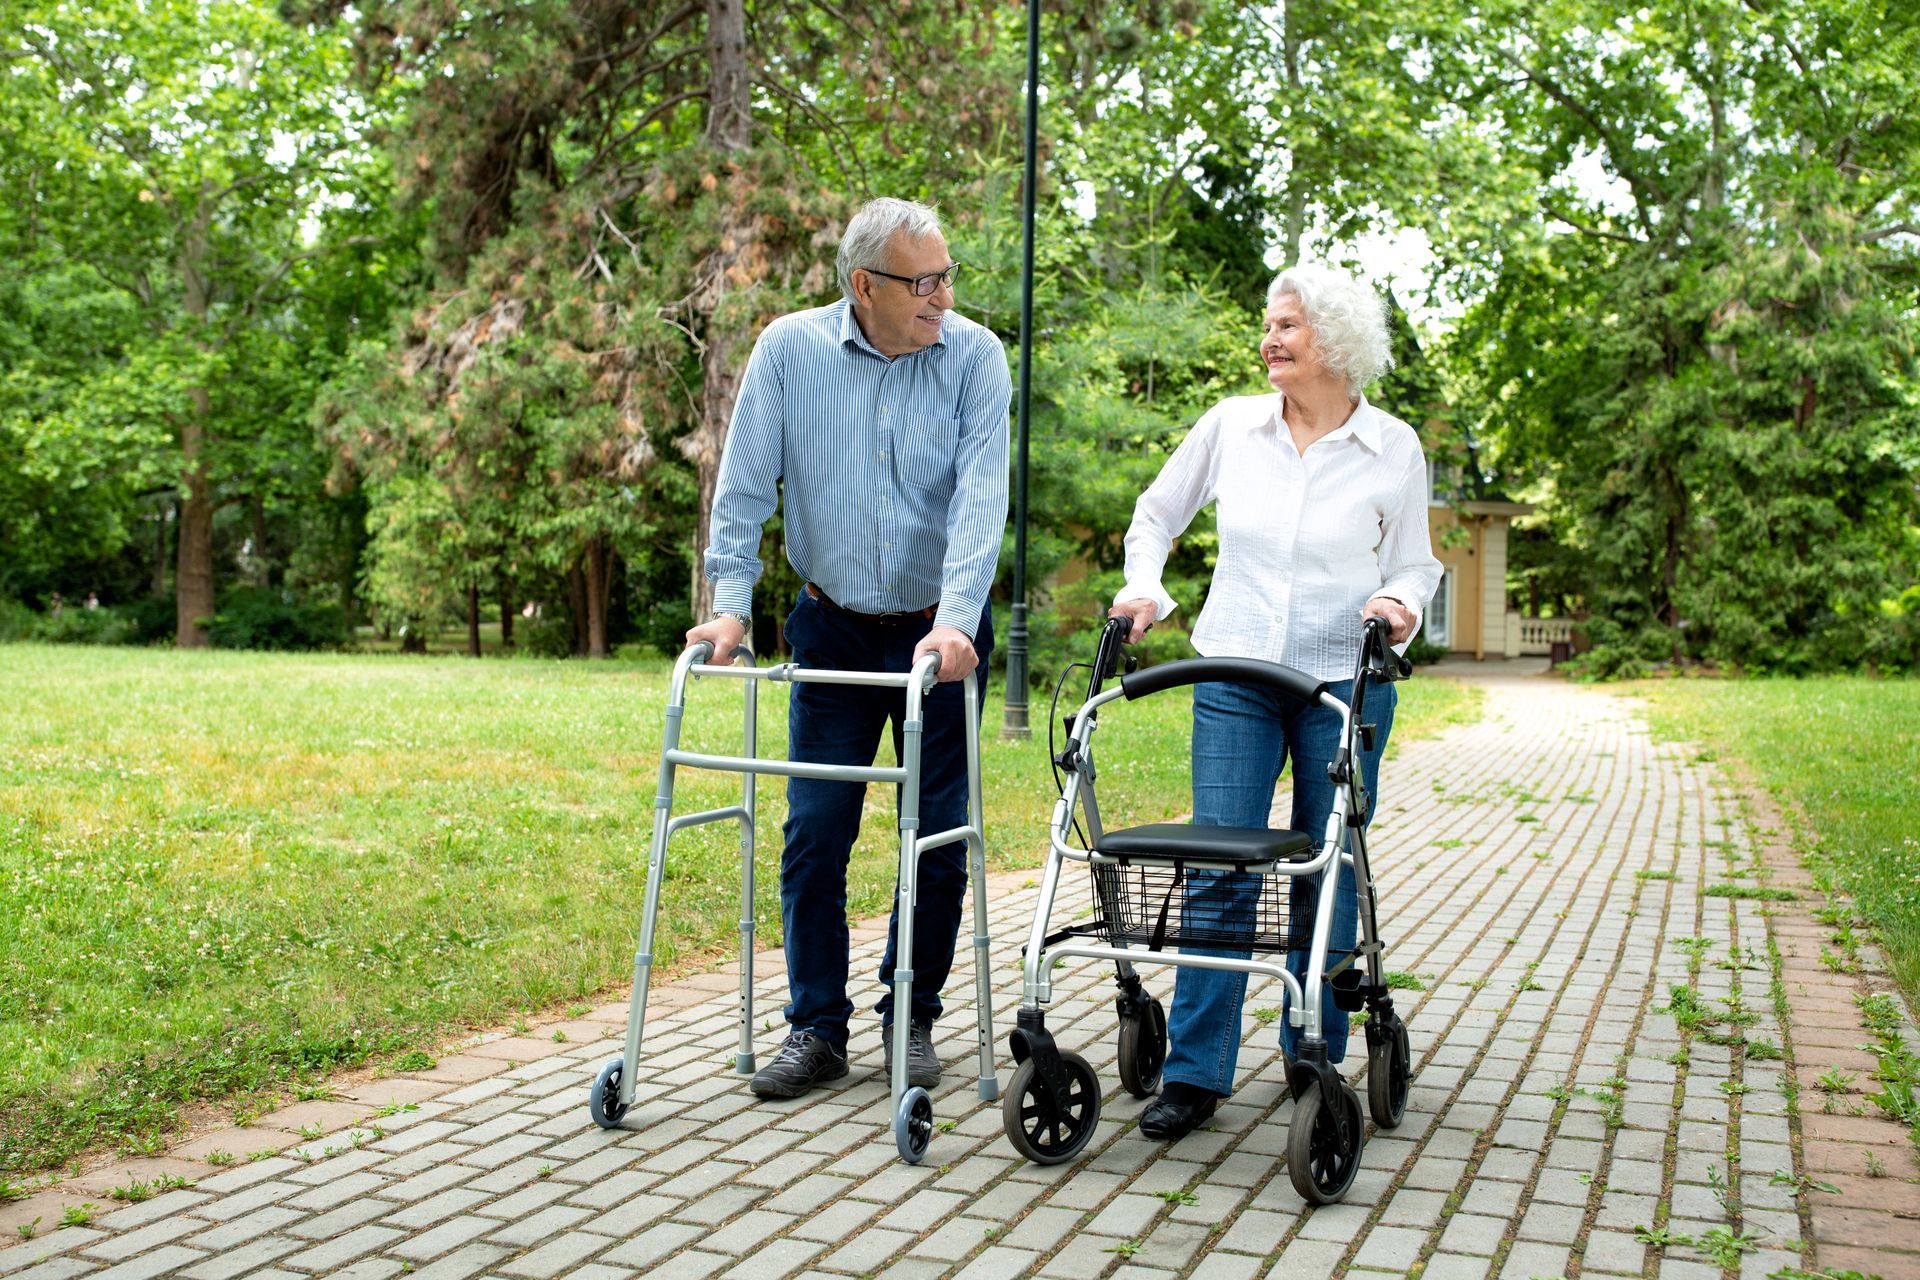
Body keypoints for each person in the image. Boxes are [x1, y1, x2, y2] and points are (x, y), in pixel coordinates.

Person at [1108, 263, 1442, 1141]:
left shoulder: (1392, 446)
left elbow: (1416, 562)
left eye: (1287, 325)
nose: (1269, 339)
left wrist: (1399, 603)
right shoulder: (1232, 426)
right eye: (1268, 324)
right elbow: (1156, 515)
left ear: (1334, 339)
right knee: (1220, 863)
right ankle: (1196, 1072)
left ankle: (1311, 1053)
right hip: (1238, 676)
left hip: (1344, 685)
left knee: (1324, 871)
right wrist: (1145, 588)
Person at [687, 197, 1011, 1100]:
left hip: (937, 636)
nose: (944, 296)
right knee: (816, 831)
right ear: (864, 285)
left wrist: (957, 619)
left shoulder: (976, 358)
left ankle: (912, 1015)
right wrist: (730, 609)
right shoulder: (789, 351)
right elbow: (744, 488)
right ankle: (817, 1028)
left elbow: (982, 499)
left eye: (947, 277)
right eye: (925, 282)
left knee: (935, 834)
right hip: (832, 624)